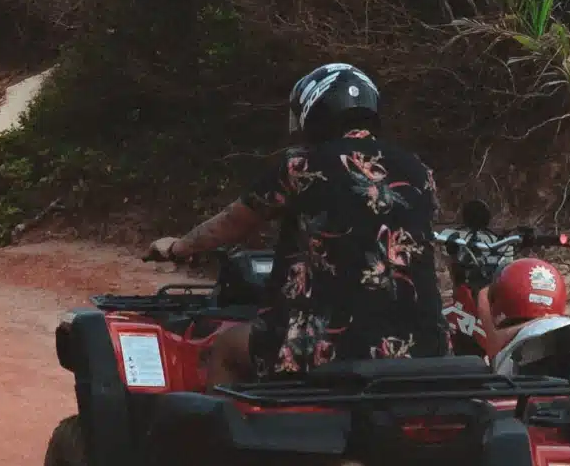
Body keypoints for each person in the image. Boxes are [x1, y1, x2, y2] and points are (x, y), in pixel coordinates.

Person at [147, 64, 448, 385]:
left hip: (333, 347)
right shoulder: (420, 171)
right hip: (422, 349)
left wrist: (178, 246)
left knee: (225, 348)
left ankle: (228, 433)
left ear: (315, 111)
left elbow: (233, 222)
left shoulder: (303, 166)